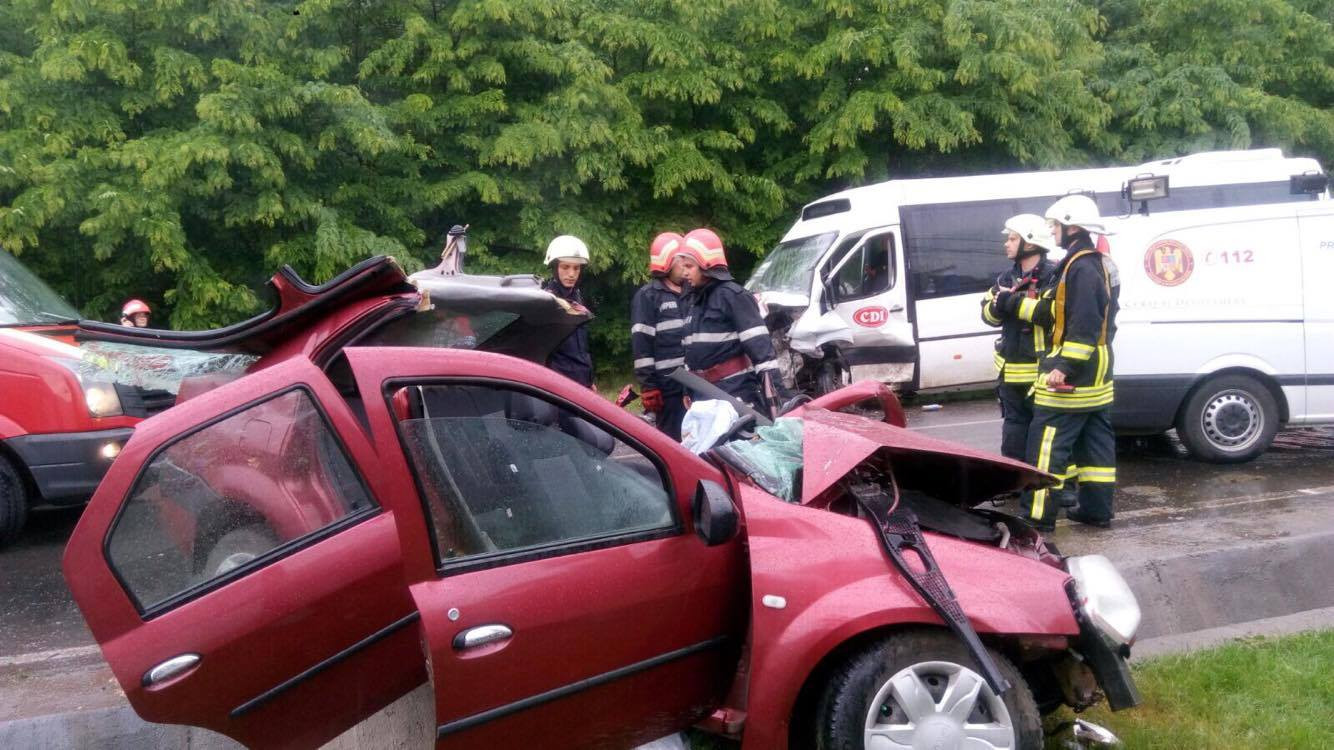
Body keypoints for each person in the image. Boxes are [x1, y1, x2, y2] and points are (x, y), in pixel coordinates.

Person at [1018, 195, 1120, 530]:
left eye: (1054, 225)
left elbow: (1085, 323)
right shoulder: (1094, 262)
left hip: (1075, 373)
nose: (1051, 231)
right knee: (1095, 447)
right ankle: (1095, 510)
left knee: (1047, 443)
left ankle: (1036, 518)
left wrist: (1064, 366)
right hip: (1097, 372)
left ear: (1071, 225)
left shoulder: (1081, 266)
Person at [676, 228, 786, 414]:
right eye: (683, 267)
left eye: (689, 267)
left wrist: (777, 404)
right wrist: (689, 390)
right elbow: (690, 353)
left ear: (707, 264)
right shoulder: (691, 301)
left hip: (734, 395)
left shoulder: (733, 296)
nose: (684, 273)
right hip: (702, 397)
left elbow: (763, 355)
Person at [981, 214, 1060, 462]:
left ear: (1031, 242)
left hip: (1040, 370)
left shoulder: (1053, 276)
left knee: (1042, 431)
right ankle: (1015, 479)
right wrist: (997, 306)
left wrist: (1011, 302)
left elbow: (1050, 315)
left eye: (1013, 239)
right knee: (1013, 427)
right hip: (1010, 369)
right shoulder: (1005, 278)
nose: (1007, 244)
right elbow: (987, 315)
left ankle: (1043, 481)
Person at [631, 232, 690, 440]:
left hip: (694, 386)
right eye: (680, 260)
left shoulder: (692, 292)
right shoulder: (648, 296)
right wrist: (649, 386)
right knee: (673, 445)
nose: (686, 265)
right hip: (668, 390)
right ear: (666, 263)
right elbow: (642, 345)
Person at [541, 235, 595, 388]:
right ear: (554, 268)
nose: (571, 274)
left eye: (576, 268)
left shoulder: (577, 298)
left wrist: (589, 379)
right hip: (559, 385)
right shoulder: (547, 301)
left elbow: (581, 347)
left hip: (581, 380)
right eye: (565, 267)